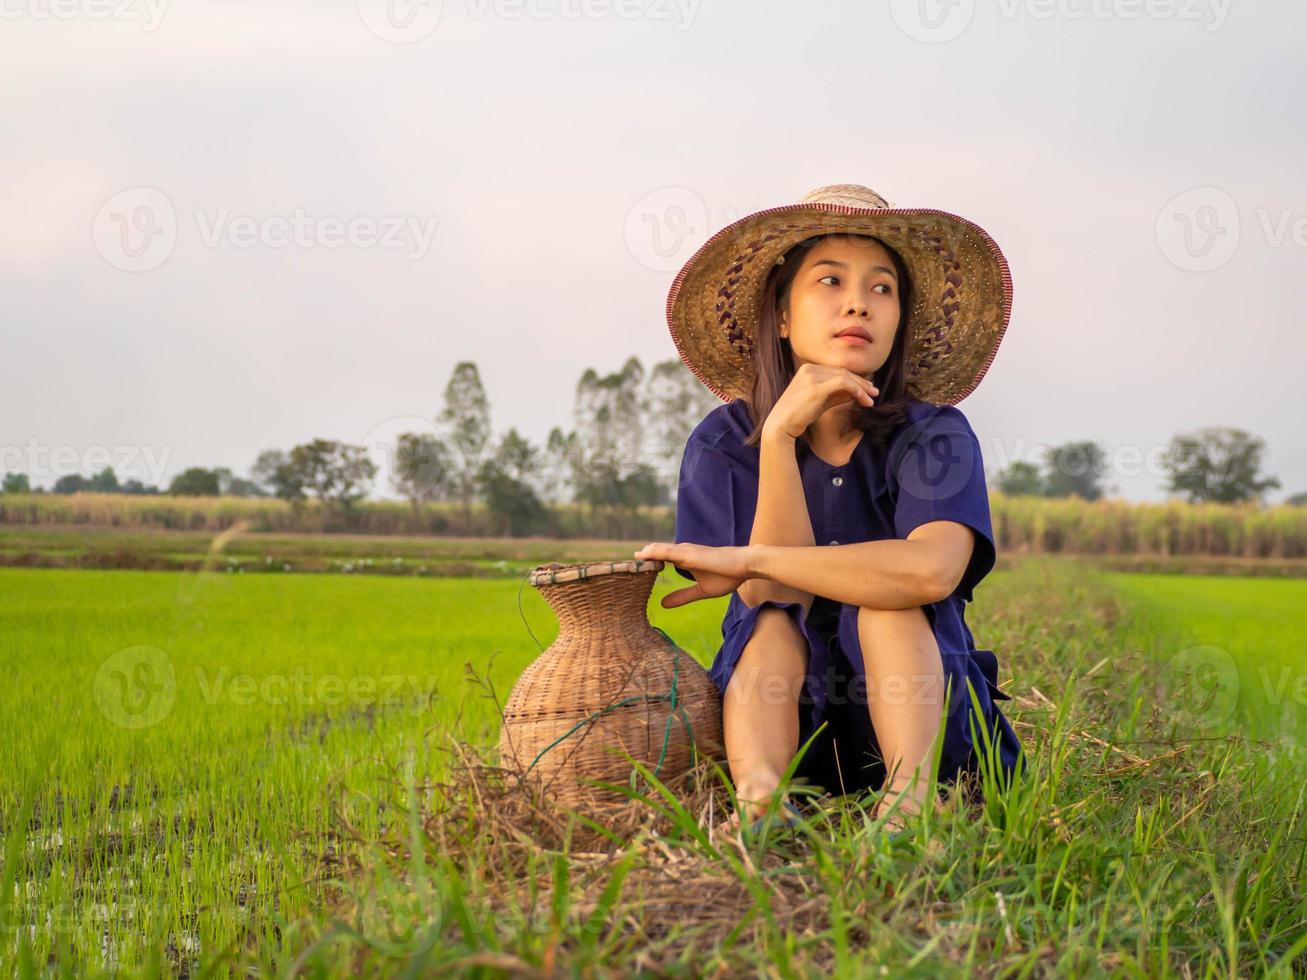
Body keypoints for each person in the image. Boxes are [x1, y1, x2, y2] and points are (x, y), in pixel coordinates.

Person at [632, 183, 1024, 838]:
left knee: (887, 601)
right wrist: (781, 439)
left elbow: (931, 572)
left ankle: (908, 809)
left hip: (927, 720)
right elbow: (768, 592)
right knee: (771, 619)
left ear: (899, 319)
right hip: (789, 722)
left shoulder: (934, 435)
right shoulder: (726, 440)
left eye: (881, 289)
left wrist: (747, 556)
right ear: (781, 315)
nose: (856, 302)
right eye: (829, 281)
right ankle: (762, 806)